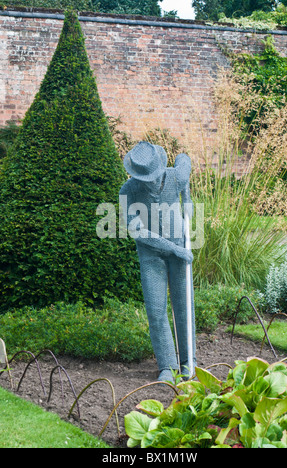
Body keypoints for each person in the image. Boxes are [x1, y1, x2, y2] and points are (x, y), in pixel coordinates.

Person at [119, 141, 196, 383]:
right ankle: (168, 366)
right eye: (145, 177)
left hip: (179, 251)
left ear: (161, 167)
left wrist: (187, 198)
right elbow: (137, 231)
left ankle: (188, 360)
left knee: (183, 305)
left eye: (153, 175)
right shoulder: (127, 191)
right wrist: (175, 248)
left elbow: (184, 157)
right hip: (151, 256)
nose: (150, 182)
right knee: (155, 310)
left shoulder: (176, 177)